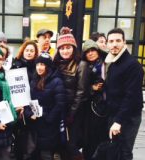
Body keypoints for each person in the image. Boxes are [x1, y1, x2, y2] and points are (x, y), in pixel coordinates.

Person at [105, 28, 143, 160]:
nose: (114, 44)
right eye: (111, 41)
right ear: (107, 44)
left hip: (128, 117)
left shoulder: (132, 65)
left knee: (124, 151)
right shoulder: (113, 61)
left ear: (124, 42)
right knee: (115, 149)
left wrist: (118, 121)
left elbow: (131, 96)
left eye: (118, 41)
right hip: (115, 113)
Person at [53, 27, 90, 160]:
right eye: (62, 48)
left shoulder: (81, 65)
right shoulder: (56, 63)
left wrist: (71, 114)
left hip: (73, 112)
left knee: (71, 144)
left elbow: (81, 92)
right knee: (59, 143)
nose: (65, 51)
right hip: (58, 109)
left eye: (68, 47)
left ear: (74, 48)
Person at [23, 53, 66, 160]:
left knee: (46, 154)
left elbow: (60, 104)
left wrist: (48, 118)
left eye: (42, 64)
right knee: (33, 154)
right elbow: (28, 101)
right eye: (37, 64)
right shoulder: (34, 80)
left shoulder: (56, 81)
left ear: (48, 66)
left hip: (49, 127)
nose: (39, 67)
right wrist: (29, 114)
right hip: (34, 125)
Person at [11, 40, 39, 159]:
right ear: (23, 51)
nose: (29, 52)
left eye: (32, 51)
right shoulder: (15, 65)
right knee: (19, 139)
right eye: (27, 50)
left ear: (35, 53)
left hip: (32, 107)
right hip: (19, 108)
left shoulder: (38, 66)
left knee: (32, 141)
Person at [81, 40, 109, 160]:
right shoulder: (84, 66)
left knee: (100, 138)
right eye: (87, 52)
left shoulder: (105, 64)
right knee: (89, 138)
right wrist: (91, 88)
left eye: (93, 50)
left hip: (103, 107)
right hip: (89, 107)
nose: (90, 53)